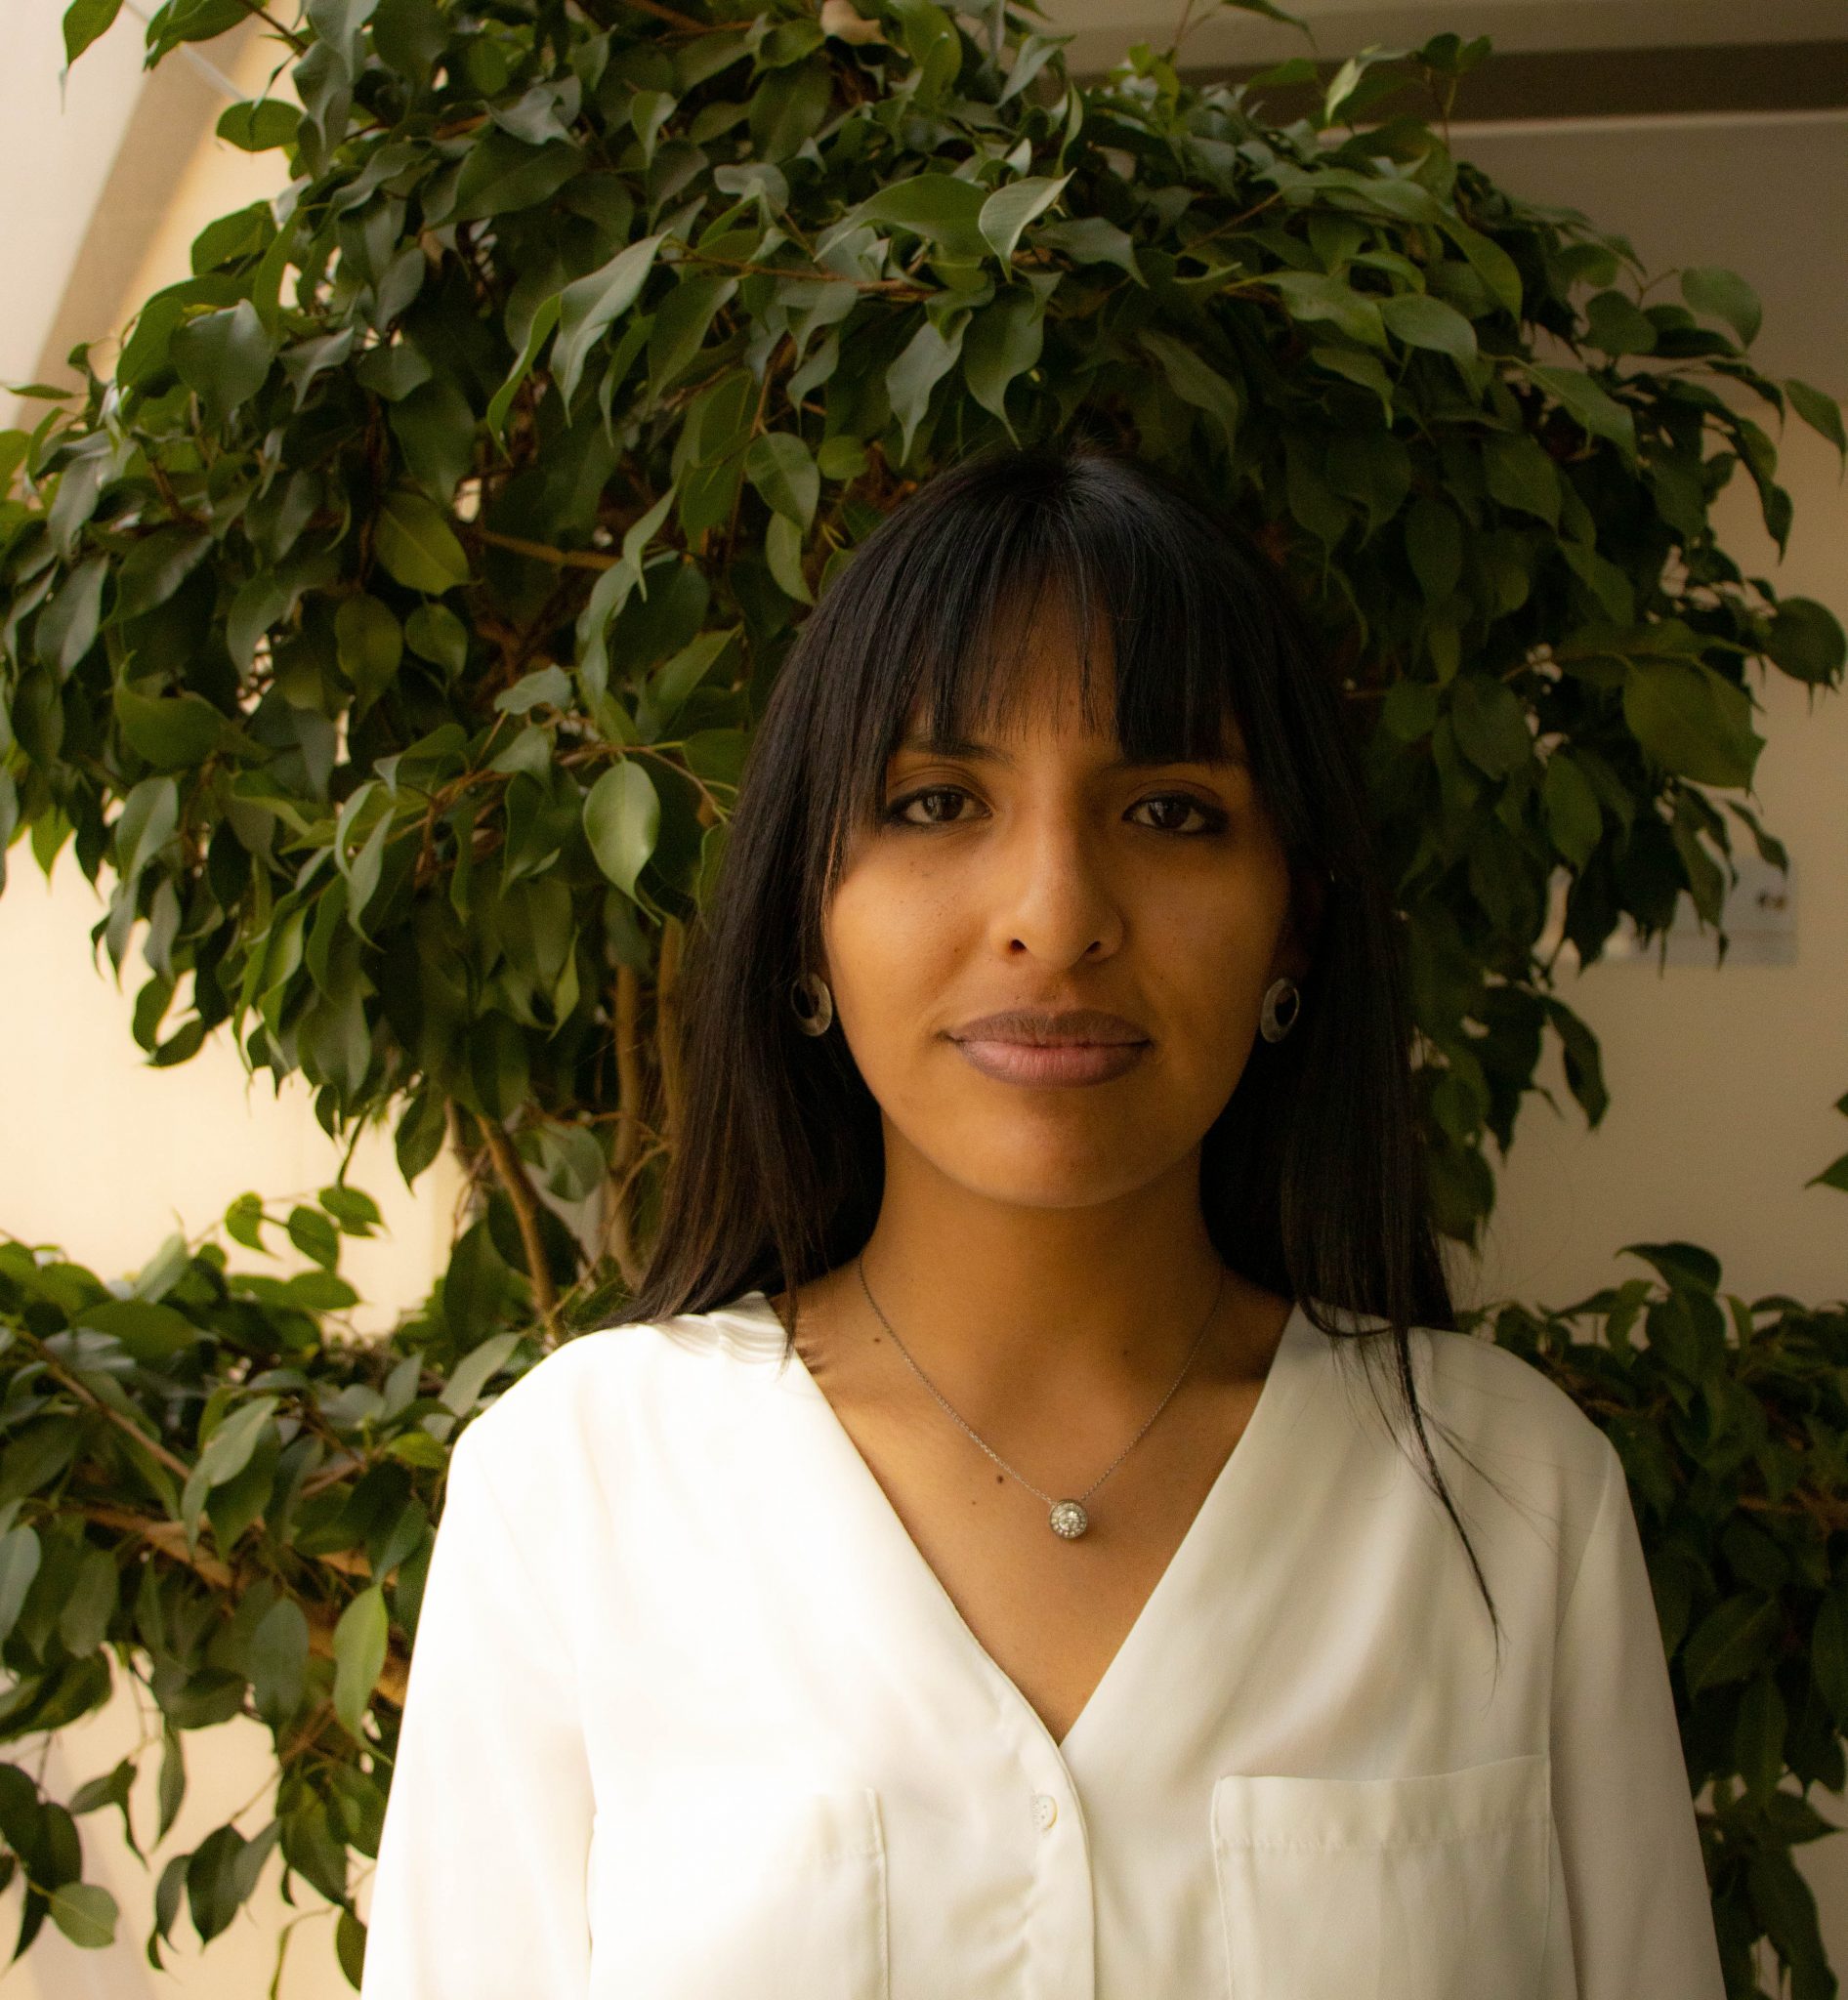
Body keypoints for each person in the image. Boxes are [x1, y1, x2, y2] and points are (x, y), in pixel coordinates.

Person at [358, 439, 1726, 1999]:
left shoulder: (1512, 1497)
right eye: (938, 802)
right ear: (806, 920)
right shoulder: (581, 1491)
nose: (1056, 916)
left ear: (1296, 925)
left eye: (1172, 811)